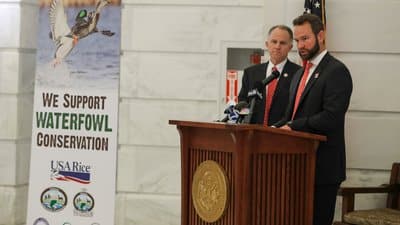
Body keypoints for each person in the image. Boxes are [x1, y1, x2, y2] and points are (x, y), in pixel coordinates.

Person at [273, 14, 353, 225]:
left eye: (305, 38)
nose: (300, 45)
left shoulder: (337, 71)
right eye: (298, 40)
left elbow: (331, 117)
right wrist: (273, 129)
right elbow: (290, 115)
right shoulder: (300, 73)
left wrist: (293, 126)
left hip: (322, 169)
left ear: (321, 35)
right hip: (295, 167)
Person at [238, 25, 301, 125]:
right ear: (267, 44)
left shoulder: (298, 74)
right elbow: (243, 102)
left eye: (282, 43)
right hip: (253, 133)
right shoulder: (250, 73)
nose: (277, 46)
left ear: (290, 47)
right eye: (274, 42)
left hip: (282, 134)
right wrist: (245, 118)